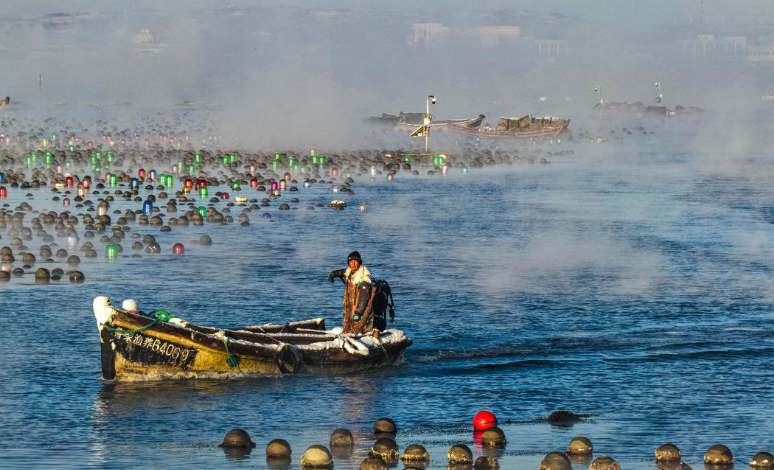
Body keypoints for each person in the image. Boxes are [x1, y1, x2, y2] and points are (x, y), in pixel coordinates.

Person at [328, 251, 375, 334]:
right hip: (351, 308)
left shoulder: (363, 279)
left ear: (359, 262)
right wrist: (334, 274)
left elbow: (364, 298)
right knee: (350, 326)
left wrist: (358, 313)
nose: (353, 264)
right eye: (350, 262)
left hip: (361, 310)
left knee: (360, 327)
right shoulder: (349, 272)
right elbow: (343, 272)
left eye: (355, 261)